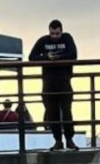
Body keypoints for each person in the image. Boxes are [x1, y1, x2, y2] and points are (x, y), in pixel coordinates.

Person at [28, 19, 78, 151]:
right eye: (52, 34)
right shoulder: (43, 41)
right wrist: (46, 57)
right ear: (49, 32)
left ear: (61, 31)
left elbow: (73, 55)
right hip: (48, 83)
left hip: (64, 81)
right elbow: (31, 57)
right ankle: (57, 140)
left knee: (67, 112)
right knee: (52, 113)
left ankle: (69, 139)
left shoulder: (67, 39)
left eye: (57, 34)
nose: (55, 36)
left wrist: (58, 58)